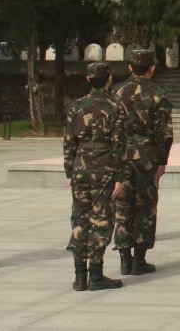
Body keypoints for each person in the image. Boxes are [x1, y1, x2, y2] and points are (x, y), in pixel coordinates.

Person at [64, 61, 125, 292]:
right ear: (108, 79)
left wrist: (70, 170)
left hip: (80, 165)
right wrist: (120, 175)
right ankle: (95, 275)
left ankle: (80, 275)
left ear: (89, 80)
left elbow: (69, 142)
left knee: (80, 217)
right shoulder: (115, 106)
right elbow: (120, 144)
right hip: (104, 166)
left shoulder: (76, 106)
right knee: (101, 219)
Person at [113, 47, 173, 276]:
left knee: (123, 205)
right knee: (145, 207)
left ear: (130, 67)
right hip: (146, 157)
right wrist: (162, 161)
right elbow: (164, 133)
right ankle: (139, 259)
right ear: (152, 68)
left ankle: (124, 258)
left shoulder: (117, 93)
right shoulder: (158, 94)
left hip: (122, 156)